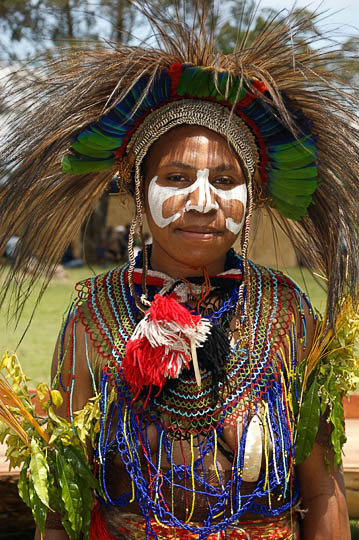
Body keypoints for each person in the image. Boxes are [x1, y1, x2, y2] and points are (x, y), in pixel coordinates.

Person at [0, 3, 358, 539]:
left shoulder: (287, 315)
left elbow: (321, 486)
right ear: (139, 197)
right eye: (176, 176)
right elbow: (62, 506)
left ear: (252, 197)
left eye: (224, 179)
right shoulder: (94, 316)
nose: (202, 202)